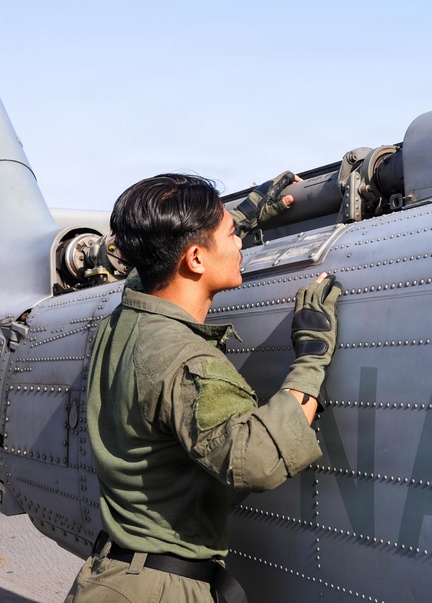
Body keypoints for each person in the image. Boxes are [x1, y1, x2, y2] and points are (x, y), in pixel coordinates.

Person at [65, 173, 340, 603]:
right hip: (159, 590)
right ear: (194, 258)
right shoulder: (186, 360)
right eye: (231, 236)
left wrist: (241, 220)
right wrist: (311, 358)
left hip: (111, 577)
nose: (240, 246)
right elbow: (258, 460)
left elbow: (147, 278)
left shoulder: (123, 322)